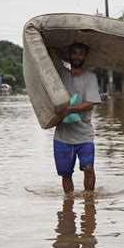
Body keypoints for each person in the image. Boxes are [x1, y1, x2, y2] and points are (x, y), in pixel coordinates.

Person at [48, 43, 102, 193]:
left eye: (80, 53)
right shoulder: (62, 74)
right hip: (62, 136)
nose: (77, 56)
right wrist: (60, 49)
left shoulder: (90, 78)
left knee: (89, 168)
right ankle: (68, 205)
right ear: (69, 55)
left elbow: (89, 104)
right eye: (74, 53)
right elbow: (52, 51)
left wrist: (68, 110)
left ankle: (89, 201)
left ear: (85, 57)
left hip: (84, 135)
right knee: (66, 174)